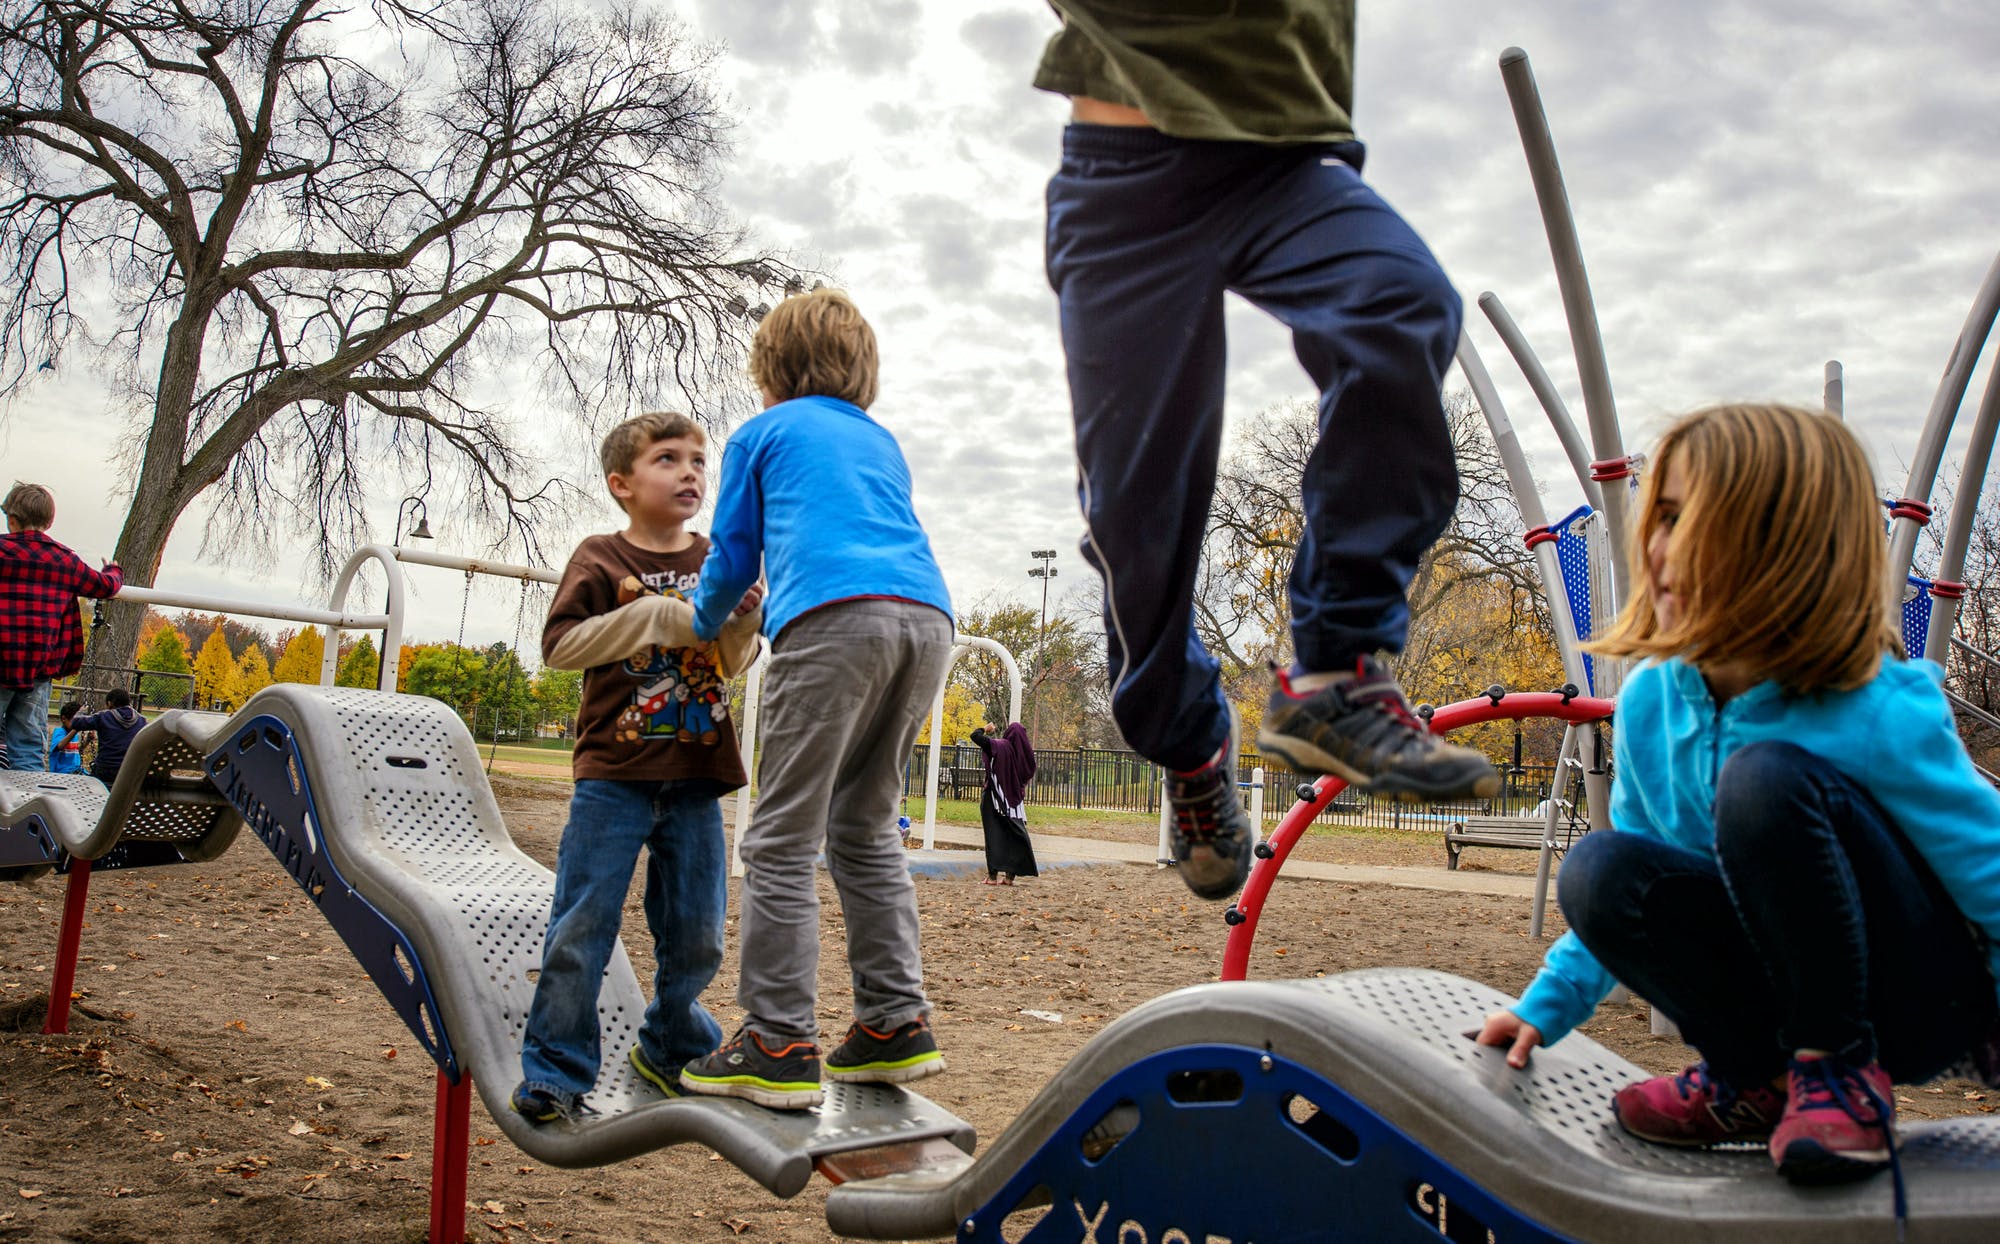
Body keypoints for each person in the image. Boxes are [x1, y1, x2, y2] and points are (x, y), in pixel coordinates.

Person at [1034, 2, 1498, 904]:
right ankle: (1190, 738)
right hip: (1124, 179)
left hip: (1285, 171)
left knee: (1400, 308)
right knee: (1137, 521)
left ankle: (1335, 668)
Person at [1474, 404, 2000, 1190]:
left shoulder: (1876, 705)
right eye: (1668, 517)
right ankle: (1758, 1080)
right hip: (1777, 1001)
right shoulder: (1651, 703)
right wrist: (1546, 1007)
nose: (1669, 547)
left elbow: (1983, 867)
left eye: (1709, 527)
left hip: (1914, 1001)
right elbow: (1651, 879)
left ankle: (1838, 1070)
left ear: (1796, 554)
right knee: (1601, 866)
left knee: (1763, 781)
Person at [680, 289, 955, 1110]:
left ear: (773, 370)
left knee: (779, 836)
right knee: (866, 827)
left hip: (837, 620)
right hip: (928, 620)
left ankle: (775, 1040)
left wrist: (703, 624)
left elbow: (732, 555)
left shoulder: (762, 432)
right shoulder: (880, 439)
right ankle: (892, 1025)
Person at [509, 411, 765, 1124]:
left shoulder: (718, 557)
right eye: (668, 459)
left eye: (697, 460)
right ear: (622, 484)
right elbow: (559, 648)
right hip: (614, 776)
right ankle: (556, 1069)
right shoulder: (601, 557)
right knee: (582, 925)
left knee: (699, 932)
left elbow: (731, 663)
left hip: (696, 774)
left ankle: (672, 1044)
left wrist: (742, 619)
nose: (690, 472)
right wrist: (654, 614)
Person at [0, 483, 123, 770]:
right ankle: (26, 807)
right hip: (38, 668)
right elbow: (105, 586)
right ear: (49, 521)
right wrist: (113, 570)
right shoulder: (63, 559)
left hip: (1, 659)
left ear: (12, 520)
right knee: (29, 741)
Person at [971, 723, 1039, 885]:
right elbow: (1028, 771)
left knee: (993, 834)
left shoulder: (999, 746)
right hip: (1014, 802)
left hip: (994, 797)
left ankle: (992, 876)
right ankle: (1009, 877)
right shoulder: (1024, 755)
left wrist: (984, 729)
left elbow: (975, 737)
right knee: (1014, 836)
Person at [70, 688, 144, 785]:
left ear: (110, 703)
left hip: (105, 769)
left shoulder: (104, 717)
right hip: (129, 770)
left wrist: (81, 712)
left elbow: (75, 723)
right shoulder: (142, 721)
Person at [48, 701, 85, 775]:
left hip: (76, 769)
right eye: (75, 720)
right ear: (64, 718)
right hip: (62, 772)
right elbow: (60, 746)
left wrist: (88, 740)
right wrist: (75, 729)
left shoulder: (74, 735)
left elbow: (77, 751)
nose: (78, 723)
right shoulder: (59, 732)